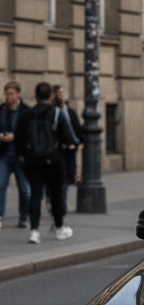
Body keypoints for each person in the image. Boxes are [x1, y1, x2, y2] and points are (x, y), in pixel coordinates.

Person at [15, 81, 78, 243]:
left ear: (35, 97)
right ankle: (59, 228)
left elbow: (19, 139)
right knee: (56, 195)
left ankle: (34, 232)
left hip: (33, 161)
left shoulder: (26, 114)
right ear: (51, 97)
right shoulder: (57, 113)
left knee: (35, 195)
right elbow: (70, 138)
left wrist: (23, 157)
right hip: (53, 161)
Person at [0, 80, 32, 234]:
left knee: (25, 189)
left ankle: (24, 216)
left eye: (11, 93)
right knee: (0, 185)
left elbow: (29, 134)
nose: (8, 96)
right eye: (6, 93)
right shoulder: (1, 110)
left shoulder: (26, 111)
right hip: (4, 155)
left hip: (20, 155)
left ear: (18, 94)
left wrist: (15, 137)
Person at [53, 84, 83, 212]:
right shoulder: (52, 112)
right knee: (59, 180)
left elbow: (75, 127)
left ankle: (61, 205)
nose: (61, 96)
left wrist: (77, 142)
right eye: (59, 93)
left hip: (70, 149)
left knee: (65, 179)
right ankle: (58, 204)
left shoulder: (69, 111)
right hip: (57, 149)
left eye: (62, 93)